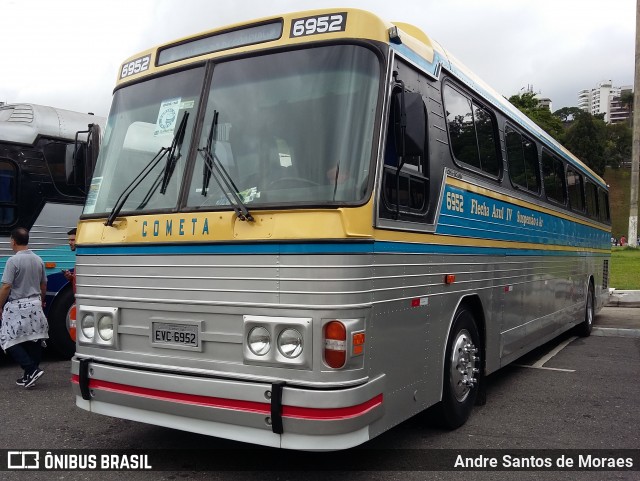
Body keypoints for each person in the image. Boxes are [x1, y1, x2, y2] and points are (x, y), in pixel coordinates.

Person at [0, 227, 48, 388]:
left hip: (18, 306)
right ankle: (29, 376)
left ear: (13, 241)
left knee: (8, 339)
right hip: (35, 303)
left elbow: (6, 286)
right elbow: (43, 284)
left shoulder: (13, 261)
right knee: (33, 338)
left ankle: (31, 369)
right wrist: (42, 300)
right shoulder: (38, 259)